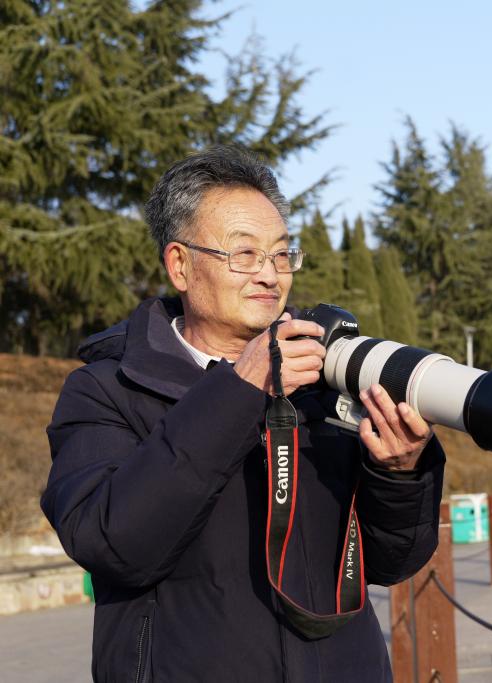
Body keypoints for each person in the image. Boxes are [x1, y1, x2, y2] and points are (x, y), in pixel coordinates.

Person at [41, 145, 445, 682]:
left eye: (281, 255)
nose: (270, 276)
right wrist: (239, 391)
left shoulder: (324, 384)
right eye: (245, 254)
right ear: (180, 265)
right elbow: (113, 544)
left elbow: (393, 562)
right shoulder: (107, 390)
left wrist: (398, 474)